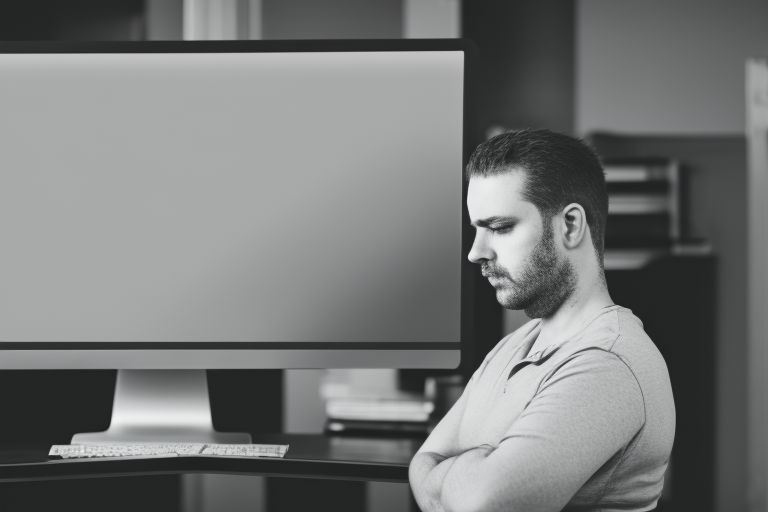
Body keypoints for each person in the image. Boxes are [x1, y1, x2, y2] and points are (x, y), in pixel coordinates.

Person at [409, 129, 675, 512]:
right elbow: (422, 460)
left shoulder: (607, 362)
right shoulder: (515, 345)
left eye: (499, 228)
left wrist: (459, 468)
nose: (475, 253)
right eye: (476, 230)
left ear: (569, 225)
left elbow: (480, 505)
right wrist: (478, 464)